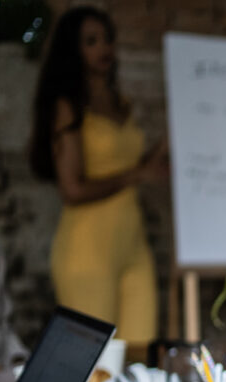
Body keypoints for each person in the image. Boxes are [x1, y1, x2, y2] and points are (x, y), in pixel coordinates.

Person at [29, 6, 165, 344]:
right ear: (73, 50)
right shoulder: (67, 106)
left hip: (133, 244)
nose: (104, 48)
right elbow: (72, 189)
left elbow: (137, 168)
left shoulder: (122, 102)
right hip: (87, 250)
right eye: (91, 41)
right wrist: (138, 174)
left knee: (138, 356)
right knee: (93, 366)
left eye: (108, 39)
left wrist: (167, 144)